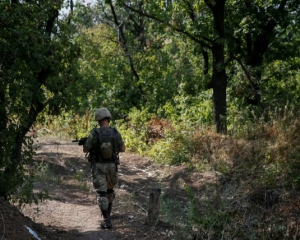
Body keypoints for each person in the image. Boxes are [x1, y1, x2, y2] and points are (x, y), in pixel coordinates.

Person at [83, 107, 125, 229]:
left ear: (98, 119)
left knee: (101, 193)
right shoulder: (115, 132)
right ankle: (108, 219)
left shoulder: (94, 133)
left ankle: (107, 220)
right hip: (112, 165)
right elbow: (123, 149)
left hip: (99, 166)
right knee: (110, 191)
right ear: (108, 118)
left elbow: (85, 149)